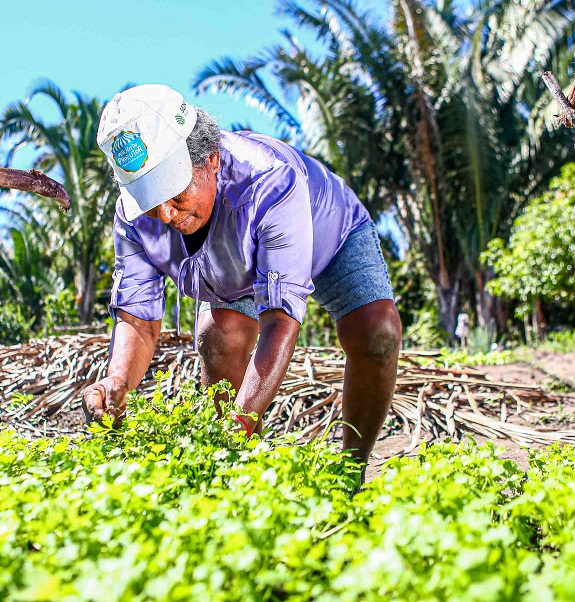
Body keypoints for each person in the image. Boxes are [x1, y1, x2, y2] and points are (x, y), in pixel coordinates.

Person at [82, 84, 401, 463]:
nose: (166, 215)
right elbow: (138, 319)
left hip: (327, 231)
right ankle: (248, 474)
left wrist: (237, 426)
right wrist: (117, 381)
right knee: (217, 339)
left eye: (174, 191)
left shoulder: (270, 181)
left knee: (377, 332)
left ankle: (352, 470)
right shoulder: (134, 218)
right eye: (149, 199)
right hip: (233, 263)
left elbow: (280, 322)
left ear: (211, 159)